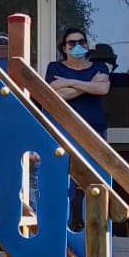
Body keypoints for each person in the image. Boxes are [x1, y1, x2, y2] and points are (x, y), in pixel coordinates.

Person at [44, 28, 110, 229]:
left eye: (81, 42)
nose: (77, 46)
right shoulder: (55, 68)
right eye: (72, 43)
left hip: (94, 132)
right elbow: (55, 95)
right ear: (64, 48)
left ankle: (91, 225)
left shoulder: (99, 67)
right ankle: (67, 225)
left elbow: (103, 89)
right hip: (64, 132)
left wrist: (70, 82)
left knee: (93, 179)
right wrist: (87, 85)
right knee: (66, 179)